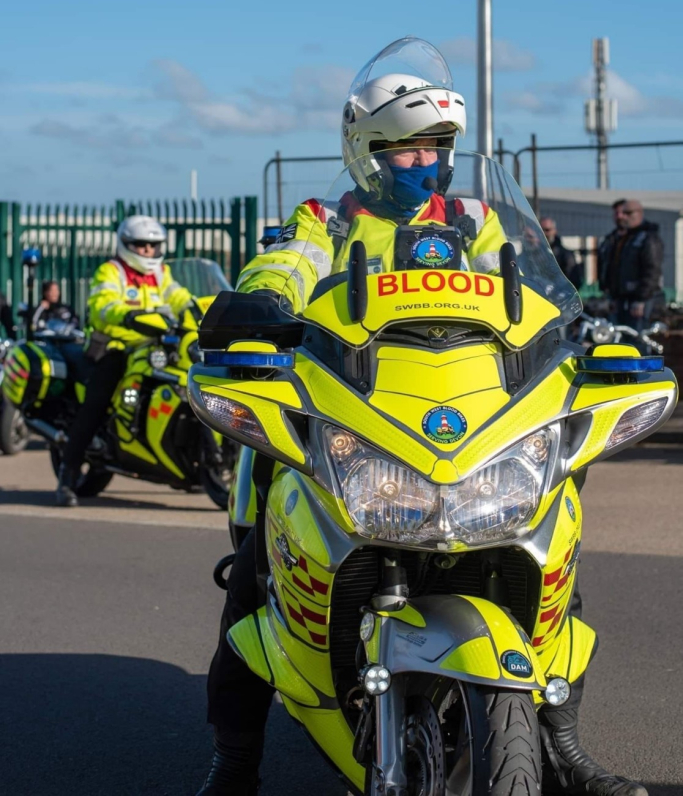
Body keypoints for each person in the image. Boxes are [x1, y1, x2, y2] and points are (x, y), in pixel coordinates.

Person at [197, 41, 645, 796]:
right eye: (405, 150)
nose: (424, 163)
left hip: (467, 416)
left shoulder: (476, 220)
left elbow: (538, 285)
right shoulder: (326, 220)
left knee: (552, 558)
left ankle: (563, 744)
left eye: (435, 147)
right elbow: (283, 266)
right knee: (255, 574)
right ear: (365, 151)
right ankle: (234, 761)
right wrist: (264, 300)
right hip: (356, 408)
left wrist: (584, 329)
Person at [55, 216, 195, 508]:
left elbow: (181, 297)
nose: (146, 251)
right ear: (126, 245)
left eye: (152, 245)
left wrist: (202, 308)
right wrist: (126, 315)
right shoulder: (111, 271)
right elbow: (101, 306)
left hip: (153, 347)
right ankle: (67, 477)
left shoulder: (161, 274)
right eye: (140, 245)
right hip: (116, 348)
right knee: (95, 405)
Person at [598, 199, 664, 332]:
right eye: (622, 213)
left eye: (628, 213)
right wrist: (612, 295)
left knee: (637, 339)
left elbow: (652, 271)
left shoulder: (647, 238)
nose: (623, 216)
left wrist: (641, 299)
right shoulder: (623, 239)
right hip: (622, 300)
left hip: (640, 302)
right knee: (619, 340)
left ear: (639, 213)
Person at [540, 216, 584, 290]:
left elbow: (574, 281)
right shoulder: (534, 253)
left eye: (547, 230)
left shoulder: (565, 255)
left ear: (554, 231)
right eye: (541, 230)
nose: (544, 234)